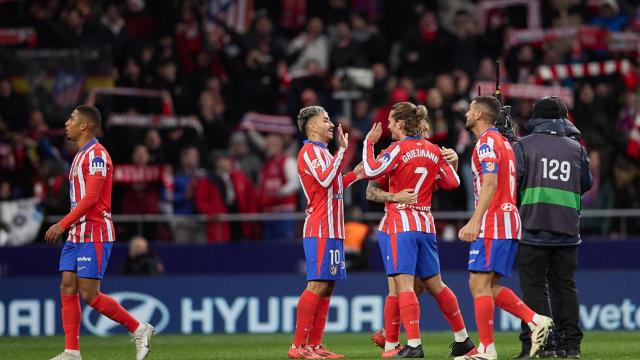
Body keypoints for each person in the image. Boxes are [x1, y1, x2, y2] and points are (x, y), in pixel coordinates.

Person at [362, 102, 472, 358]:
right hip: (426, 223)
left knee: (403, 287)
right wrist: (452, 161)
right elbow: (452, 182)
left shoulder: (396, 150)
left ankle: (412, 344)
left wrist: (368, 144)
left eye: (391, 121)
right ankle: (463, 340)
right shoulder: (434, 150)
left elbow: (371, 171)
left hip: (400, 223)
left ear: (401, 124)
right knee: (436, 284)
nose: (388, 125)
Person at [44, 105, 154, 360]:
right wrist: (69, 226)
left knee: (89, 293)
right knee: (67, 286)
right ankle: (72, 352)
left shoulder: (97, 156)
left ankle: (139, 328)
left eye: (72, 118)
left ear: (84, 125)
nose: (66, 122)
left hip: (94, 232)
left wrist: (62, 223)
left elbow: (92, 198)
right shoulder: (79, 156)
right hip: (76, 234)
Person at [456, 96, 553, 360]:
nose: (466, 113)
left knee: (478, 283)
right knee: (487, 285)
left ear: (478, 114)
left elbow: (489, 183)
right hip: (508, 219)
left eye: (469, 110)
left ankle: (487, 349)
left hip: (494, 220)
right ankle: (534, 321)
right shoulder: (503, 142)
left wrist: (475, 220)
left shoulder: (486, 141)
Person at [512, 97, 592, 359]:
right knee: (565, 287)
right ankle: (571, 347)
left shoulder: (522, 146)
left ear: (536, 116)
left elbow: (514, 184)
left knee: (534, 288)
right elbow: (586, 183)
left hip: (533, 228)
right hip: (568, 230)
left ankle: (543, 345)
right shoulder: (577, 149)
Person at [288, 105, 364, 359]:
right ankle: (298, 346)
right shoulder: (309, 150)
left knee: (327, 286)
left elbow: (333, 184)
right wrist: (342, 150)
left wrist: (356, 174)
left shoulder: (323, 153)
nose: (331, 124)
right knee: (317, 284)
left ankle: (315, 346)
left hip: (333, 229)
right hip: (320, 227)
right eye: (326, 120)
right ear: (311, 126)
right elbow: (324, 179)